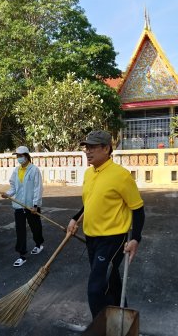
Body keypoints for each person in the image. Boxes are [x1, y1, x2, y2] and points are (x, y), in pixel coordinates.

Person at [67, 130, 145, 318]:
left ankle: (101, 327)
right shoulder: (89, 173)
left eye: (93, 147)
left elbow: (138, 209)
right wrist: (74, 218)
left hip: (113, 240)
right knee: (111, 281)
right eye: (86, 147)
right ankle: (122, 317)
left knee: (96, 288)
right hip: (91, 238)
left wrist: (135, 238)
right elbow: (90, 202)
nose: (87, 151)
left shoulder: (121, 175)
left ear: (106, 148)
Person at [0, 146, 44, 267]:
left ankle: (39, 244)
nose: (19, 158)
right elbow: (13, 188)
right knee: (20, 230)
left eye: (21, 156)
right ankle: (22, 255)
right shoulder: (16, 170)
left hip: (31, 206)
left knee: (35, 227)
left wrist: (35, 205)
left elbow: (38, 189)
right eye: (17, 156)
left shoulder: (34, 170)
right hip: (19, 205)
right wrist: (7, 194)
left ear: (26, 156)